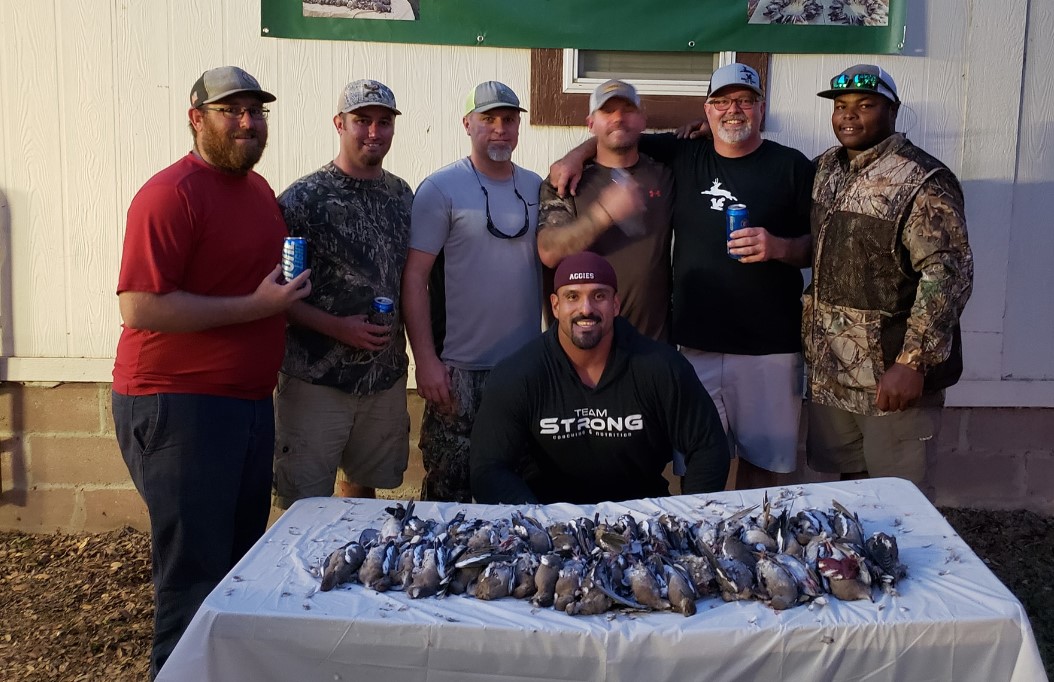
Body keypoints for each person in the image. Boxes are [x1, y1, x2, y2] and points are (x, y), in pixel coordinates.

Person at [111, 66, 311, 678]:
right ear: (197, 118)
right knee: (191, 577)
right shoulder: (170, 194)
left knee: (235, 568)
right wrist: (256, 307)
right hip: (179, 405)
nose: (248, 122)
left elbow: (268, 289)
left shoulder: (258, 193)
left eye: (256, 111)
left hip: (248, 404)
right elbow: (139, 305)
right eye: (232, 111)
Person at [550, 63, 815, 490]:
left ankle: (754, 547)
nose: (734, 110)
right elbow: (618, 137)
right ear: (706, 110)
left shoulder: (793, 167)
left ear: (761, 109)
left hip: (771, 347)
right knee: (698, 462)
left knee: (765, 472)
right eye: (722, 101)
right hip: (694, 346)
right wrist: (574, 154)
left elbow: (819, 246)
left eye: (745, 101)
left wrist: (779, 247)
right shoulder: (681, 154)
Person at [804, 64, 973, 492]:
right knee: (849, 492)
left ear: (892, 111)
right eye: (841, 106)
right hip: (834, 373)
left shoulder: (923, 179)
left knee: (901, 499)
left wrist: (912, 362)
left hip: (891, 379)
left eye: (865, 105)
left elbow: (947, 274)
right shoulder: (827, 168)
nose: (849, 116)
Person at [470, 252, 729, 504]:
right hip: (549, 522)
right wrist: (535, 521)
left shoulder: (660, 367)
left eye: (599, 296)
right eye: (573, 296)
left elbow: (708, 446)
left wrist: (692, 517)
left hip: (641, 518)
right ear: (556, 306)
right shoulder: (519, 374)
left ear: (615, 304)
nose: (586, 309)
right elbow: (489, 468)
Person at [272, 80, 413, 508]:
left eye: (383, 122)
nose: (374, 131)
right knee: (303, 503)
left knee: (363, 496)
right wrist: (337, 328)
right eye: (362, 121)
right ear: (339, 123)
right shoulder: (302, 200)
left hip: (382, 377)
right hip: (317, 379)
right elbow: (278, 296)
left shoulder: (402, 195)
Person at [401, 81, 543, 502]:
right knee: (451, 494)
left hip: (523, 370)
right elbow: (414, 279)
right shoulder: (441, 188)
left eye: (509, 119)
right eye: (489, 119)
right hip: (458, 372)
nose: (500, 128)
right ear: (467, 124)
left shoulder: (537, 187)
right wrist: (424, 362)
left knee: (517, 492)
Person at [537, 79, 674, 341]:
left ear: (643, 120)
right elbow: (549, 251)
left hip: (651, 345)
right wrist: (603, 214)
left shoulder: (665, 174)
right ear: (591, 123)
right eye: (607, 111)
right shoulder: (566, 182)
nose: (618, 118)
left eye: (628, 109)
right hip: (583, 344)